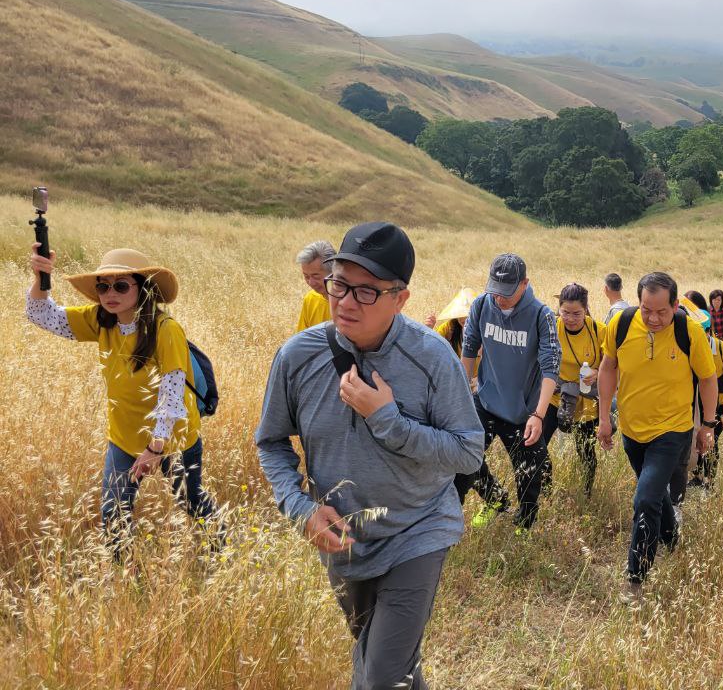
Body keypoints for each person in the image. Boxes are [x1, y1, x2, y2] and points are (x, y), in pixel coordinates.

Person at [256, 222, 484, 690]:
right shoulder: (297, 356)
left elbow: (468, 452)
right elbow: (272, 442)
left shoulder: (433, 357)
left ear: (400, 298)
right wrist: (300, 510)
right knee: (392, 667)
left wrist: (388, 420)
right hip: (345, 542)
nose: (344, 302)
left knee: (377, 677)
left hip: (417, 530)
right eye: (338, 284)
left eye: (366, 292)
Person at [27, 246, 220, 556]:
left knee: (190, 500)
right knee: (113, 512)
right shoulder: (101, 320)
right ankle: (124, 578)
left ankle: (221, 549)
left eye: (120, 285)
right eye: (103, 285)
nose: (109, 293)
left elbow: (171, 396)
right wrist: (41, 277)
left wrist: (155, 448)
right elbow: (42, 315)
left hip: (173, 437)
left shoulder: (165, 329)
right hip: (124, 437)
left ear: (142, 288)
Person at [596, 272, 719, 601]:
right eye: (646, 310)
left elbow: (708, 379)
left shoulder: (688, 331)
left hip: (672, 431)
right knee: (655, 496)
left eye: (661, 311)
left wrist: (707, 425)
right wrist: (604, 417)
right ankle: (673, 537)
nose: (653, 318)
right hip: (633, 432)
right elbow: (608, 367)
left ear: (675, 305)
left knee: (645, 499)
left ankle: (635, 578)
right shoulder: (621, 324)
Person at [454, 253, 560, 532]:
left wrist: (538, 415)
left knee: (529, 474)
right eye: (495, 291)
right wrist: (463, 394)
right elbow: (468, 349)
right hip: (486, 401)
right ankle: (492, 500)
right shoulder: (481, 304)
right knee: (464, 461)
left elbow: (551, 368)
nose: (499, 299)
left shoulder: (542, 315)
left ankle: (524, 526)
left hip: (523, 412)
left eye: (506, 293)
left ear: (524, 284)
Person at [546, 282, 606, 496]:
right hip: (554, 397)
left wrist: (597, 372)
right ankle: (545, 489)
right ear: (559, 309)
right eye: (565, 312)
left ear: (586, 309)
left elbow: (612, 362)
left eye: (576, 313)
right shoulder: (551, 327)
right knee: (537, 446)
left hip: (585, 401)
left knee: (586, 451)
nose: (570, 319)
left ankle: (586, 492)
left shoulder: (599, 330)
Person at [689, 304, 723, 490]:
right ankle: (696, 476)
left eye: (700, 332)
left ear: (708, 330)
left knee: (711, 441)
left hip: (719, 403)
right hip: (695, 403)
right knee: (694, 438)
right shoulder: (688, 348)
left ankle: (709, 482)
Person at [296, 239, 335, 331]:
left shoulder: (350, 301)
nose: (311, 283)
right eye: (306, 276)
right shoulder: (310, 299)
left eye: (316, 276)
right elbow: (303, 339)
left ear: (333, 271)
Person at [428, 287, 476, 358]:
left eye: (467, 313)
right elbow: (432, 349)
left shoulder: (484, 329)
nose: (463, 318)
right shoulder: (448, 328)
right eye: (460, 312)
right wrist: (428, 330)